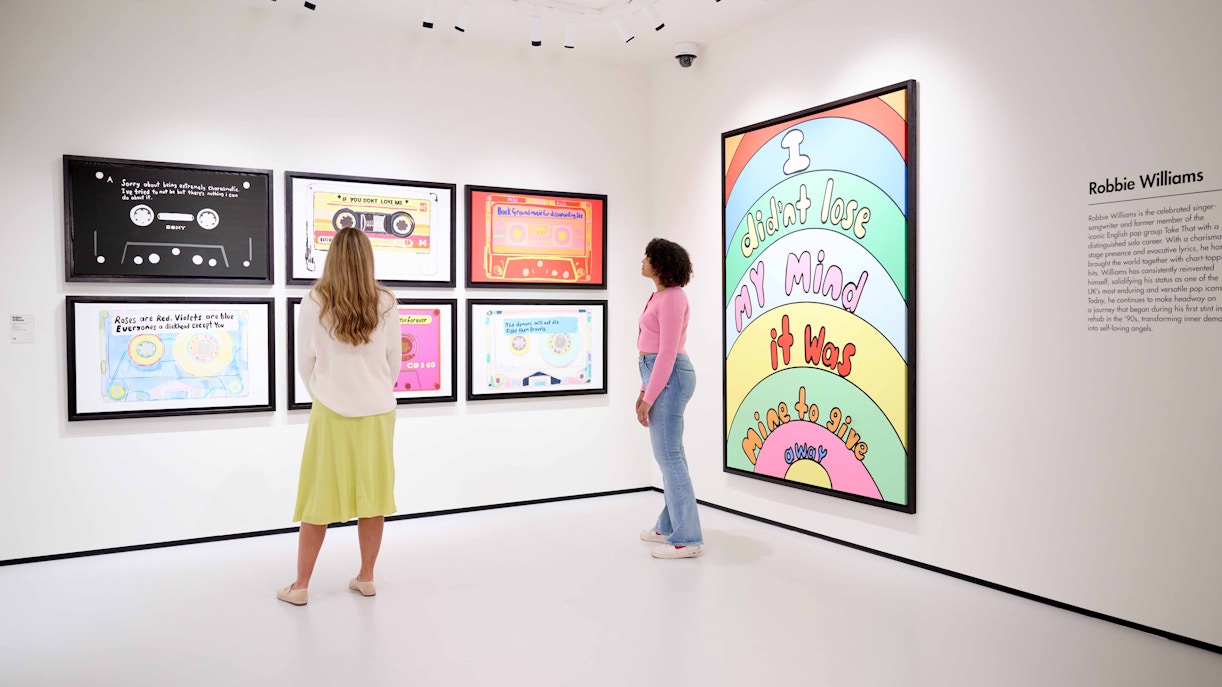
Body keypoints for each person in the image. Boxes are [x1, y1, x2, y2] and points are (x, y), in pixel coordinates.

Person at [277, 226, 400, 605]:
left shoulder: (313, 300)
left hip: (330, 410)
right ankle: (366, 577)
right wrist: (373, 390)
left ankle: (300, 586)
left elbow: (306, 362)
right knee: (373, 496)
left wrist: (326, 393)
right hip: (378, 411)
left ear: (331, 257)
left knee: (319, 496)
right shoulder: (385, 301)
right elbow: (393, 361)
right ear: (368, 259)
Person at [636, 237, 703, 559]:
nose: (643, 261)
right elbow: (651, 348)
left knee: (670, 458)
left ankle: (687, 539)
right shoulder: (660, 296)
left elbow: (666, 353)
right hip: (659, 374)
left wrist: (650, 397)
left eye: (647, 257)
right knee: (671, 456)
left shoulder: (674, 298)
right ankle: (668, 525)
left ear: (660, 263)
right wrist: (642, 389)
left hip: (670, 376)